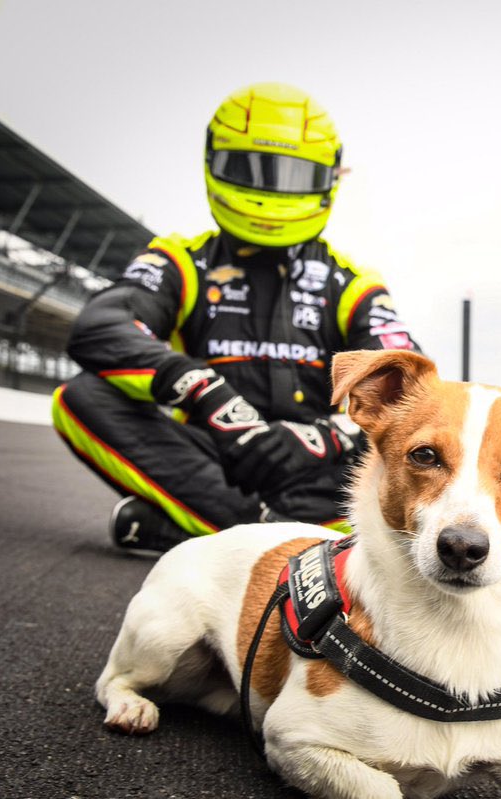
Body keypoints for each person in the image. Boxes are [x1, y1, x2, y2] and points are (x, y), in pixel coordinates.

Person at [51, 82, 420, 554]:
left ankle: (202, 533)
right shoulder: (181, 259)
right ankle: (275, 536)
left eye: (291, 173)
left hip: (317, 466)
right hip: (217, 460)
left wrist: (322, 437)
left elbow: (408, 380)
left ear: (329, 179)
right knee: (78, 397)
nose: (269, 188)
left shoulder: (351, 281)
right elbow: (100, 327)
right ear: (215, 165)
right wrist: (209, 395)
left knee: (405, 459)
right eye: (249, 169)